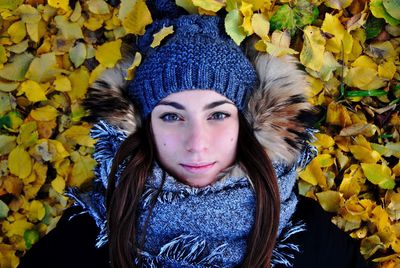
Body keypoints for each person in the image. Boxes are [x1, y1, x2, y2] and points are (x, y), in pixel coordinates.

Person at [19, 10, 368, 268]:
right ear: (143, 127)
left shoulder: (309, 237)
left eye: (218, 114)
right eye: (171, 116)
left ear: (247, 124)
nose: (197, 143)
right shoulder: (86, 236)